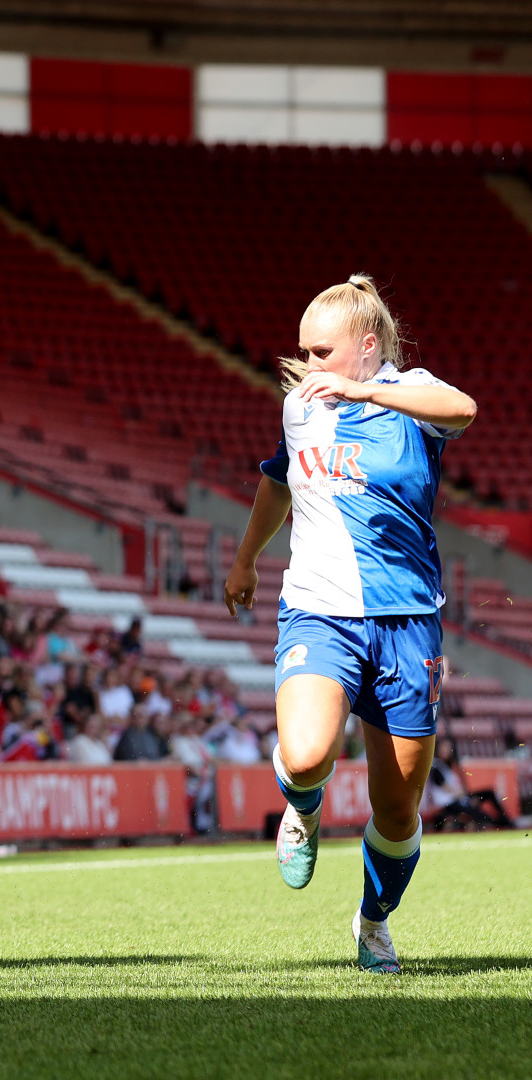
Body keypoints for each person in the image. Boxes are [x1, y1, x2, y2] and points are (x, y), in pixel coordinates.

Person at [223, 275, 477, 974]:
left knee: (396, 813)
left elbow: (463, 409)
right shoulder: (300, 408)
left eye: (323, 352)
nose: (307, 366)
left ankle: (372, 923)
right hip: (318, 610)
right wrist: (247, 558)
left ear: (367, 349)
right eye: (302, 352)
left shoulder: (410, 393)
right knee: (306, 756)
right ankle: (301, 805)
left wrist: (370, 392)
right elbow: (279, 478)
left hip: (407, 623)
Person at [423, 735, 513, 831]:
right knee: (479, 813)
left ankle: (505, 820)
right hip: (448, 803)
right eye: (444, 747)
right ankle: (501, 823)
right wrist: (466, 798)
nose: (447, 750)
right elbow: (446, 788)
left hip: (456, 799)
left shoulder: (448, 766)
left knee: (488, 793)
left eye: (449, 747)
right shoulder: (437, 766)